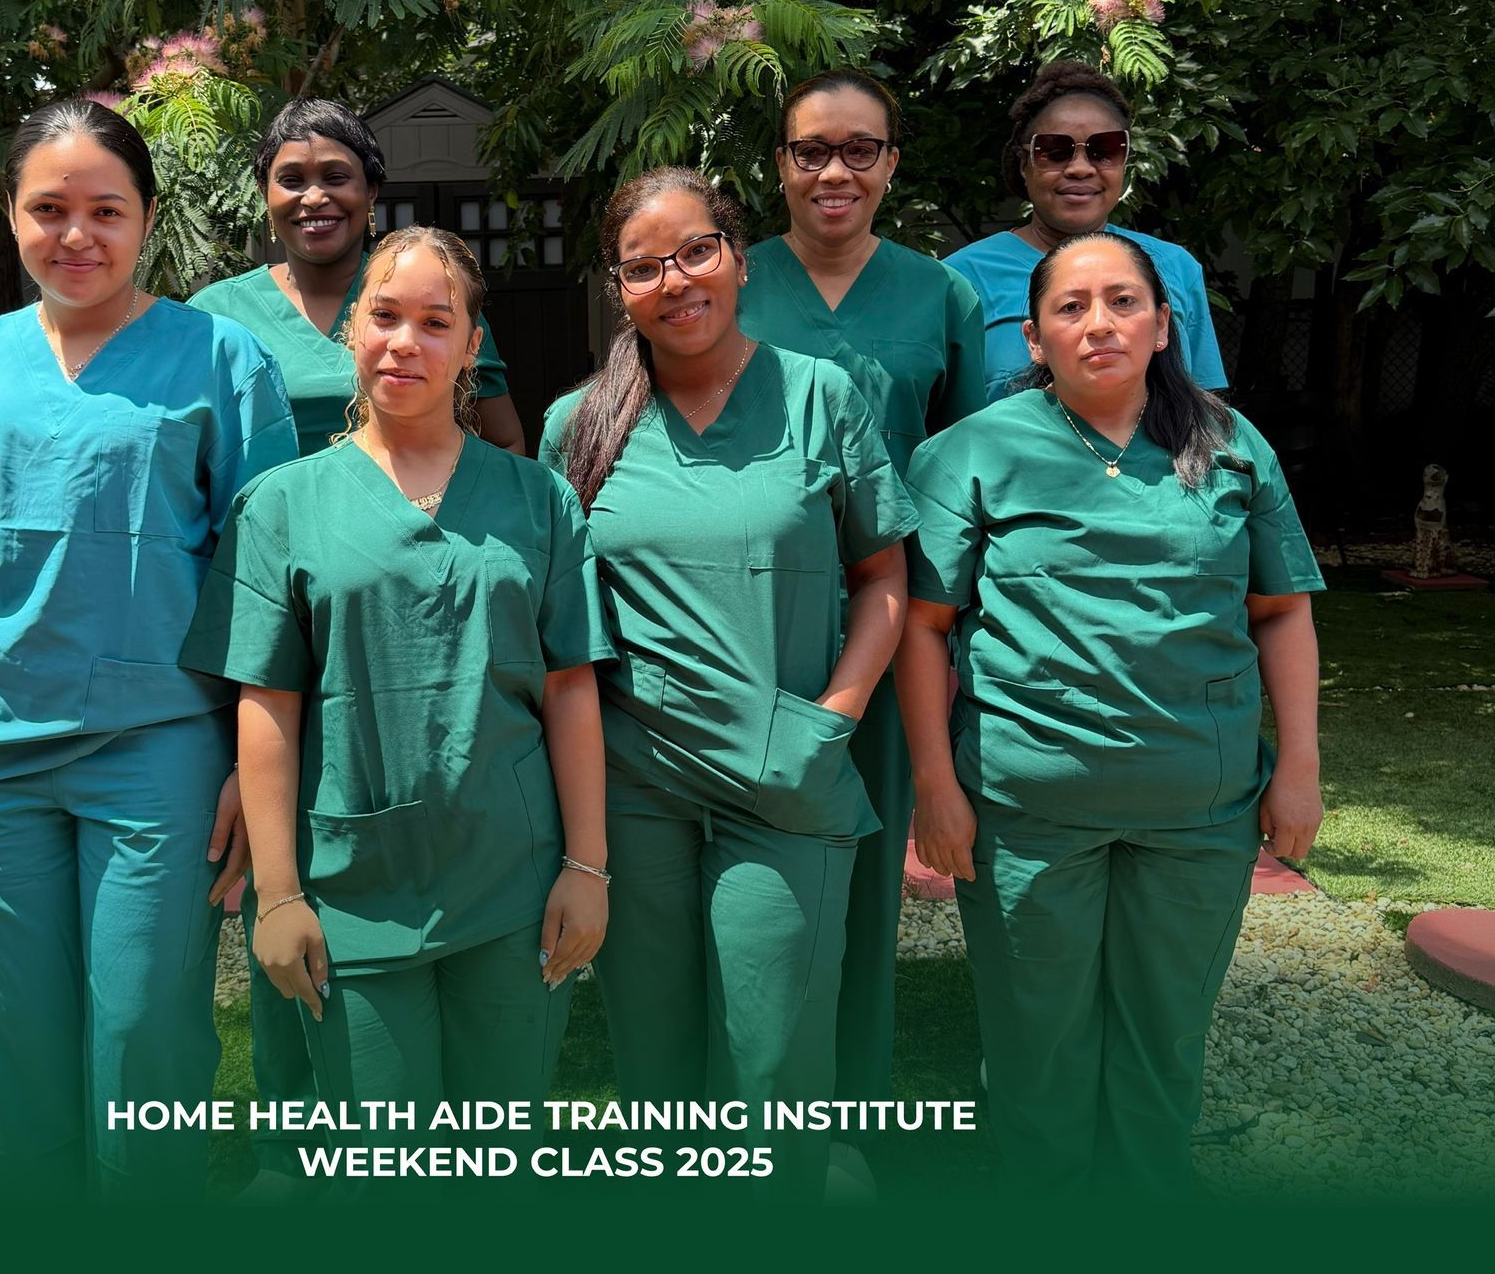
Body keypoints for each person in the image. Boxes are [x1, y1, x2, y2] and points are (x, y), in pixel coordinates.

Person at [0, 99, 297, 1199]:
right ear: (10, 218)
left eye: (105, 209)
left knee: (147, 1042)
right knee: (16, 1055)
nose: (77, 235)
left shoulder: (220, 358)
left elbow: (269, 580)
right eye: (47, 209)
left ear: (147, 218)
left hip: (159, 750)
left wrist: (259, 775)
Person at [898, 231, 1325, 1195]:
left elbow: (1282, 609)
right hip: (1027, 813)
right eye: (1071, 307)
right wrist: (935, 781)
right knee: (1035, 1044)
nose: (1100, 324)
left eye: (1124, 301)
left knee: (1164, 1040)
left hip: (1199, 810)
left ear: (1164, 324)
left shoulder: (1227, 445)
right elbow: (923, 629)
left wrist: (1298, 766)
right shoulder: (970, 452)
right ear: (1034, 339)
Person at [181, 227, 610, 1171]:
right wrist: (279, 894)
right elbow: (268, 707)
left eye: (433, 321)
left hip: (514, 885)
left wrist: (589, 867)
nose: (403, 342)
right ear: (351, 331)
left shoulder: (538, 500)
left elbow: (571, 688)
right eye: (383, 316)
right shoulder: (281, 505)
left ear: (471, 346)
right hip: (352, 894)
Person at [540, 168, 917, 1199]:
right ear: (620, 290)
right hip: (633, 784)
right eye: (645, 265)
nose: (677, 278)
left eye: (697, 249)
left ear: (740, 258)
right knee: (655, 1072)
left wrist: (830, 721)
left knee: (774, 1057)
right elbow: (559, 635)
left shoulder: (820, 394)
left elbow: (883, 575)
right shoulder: (577, 425)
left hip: (784, 778)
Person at [737, 69, 986, 1122]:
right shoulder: (726, 280)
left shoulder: (941, 296)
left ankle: (848, 1113)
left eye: (859, 149)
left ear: (891, 163)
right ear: (780, 163)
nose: (834, 171)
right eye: (811, 150)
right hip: (745, 615)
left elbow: (976, 465)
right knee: (750, 863)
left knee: (868, 864)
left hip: (893, 620)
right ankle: (740, 1096)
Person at [189, 97, 526, 457]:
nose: (315, 197)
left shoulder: (436, 296)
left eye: (335, 177)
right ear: (264, 194)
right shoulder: (215, 314)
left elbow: (502, 441)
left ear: (371, 192)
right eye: (291, 180)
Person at [945, 61, 1230, 402]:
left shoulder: (1174, 266)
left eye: (1104, 150)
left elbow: (1204, 407)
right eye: (1054, 151)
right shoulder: (961, 279)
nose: (1080, 168)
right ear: (1024, 164)